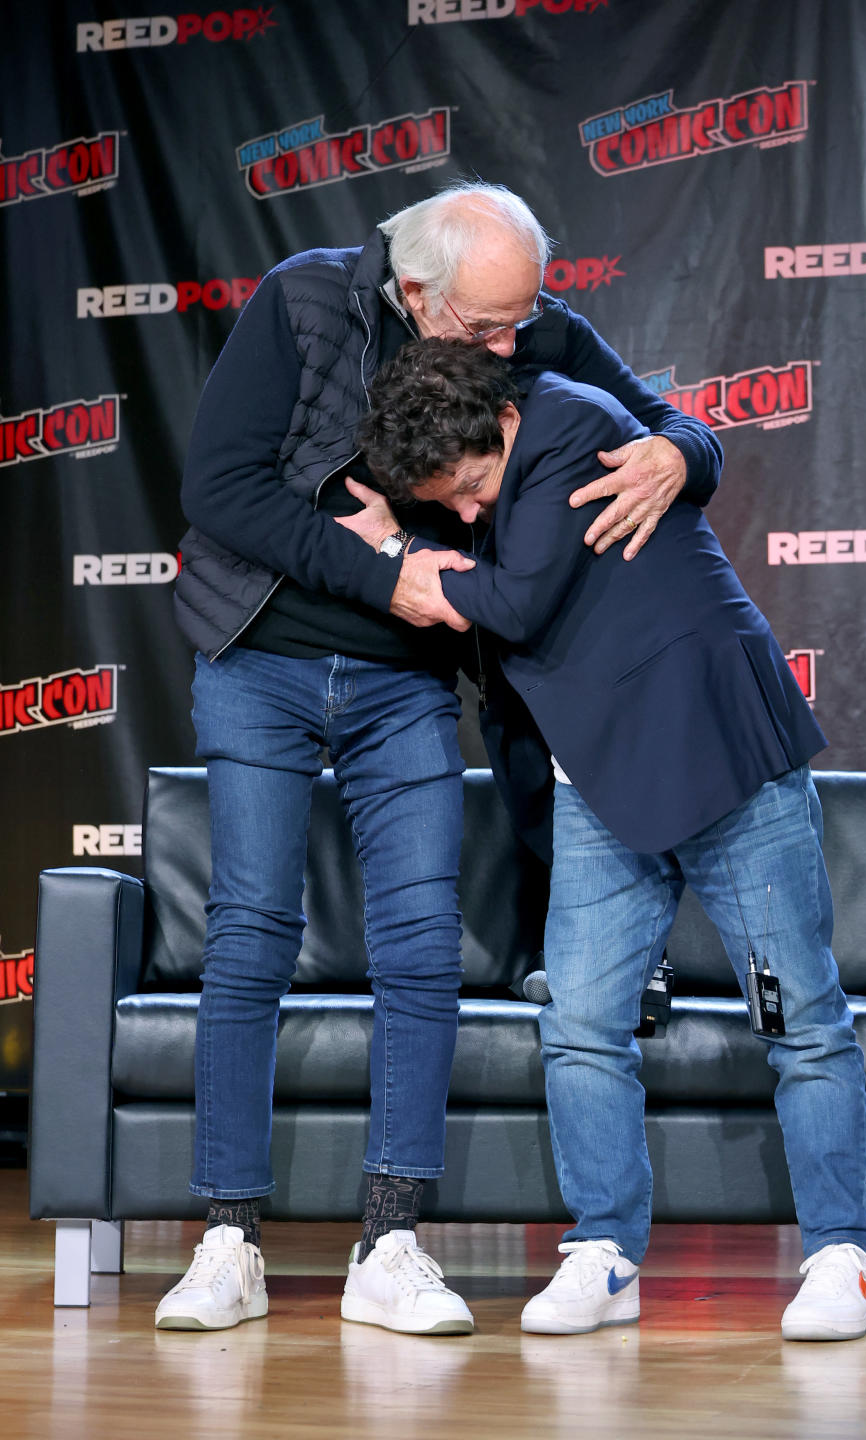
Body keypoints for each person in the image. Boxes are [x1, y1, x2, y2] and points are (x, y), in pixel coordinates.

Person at [157, 181, 723, 1335]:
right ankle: (228, 1242)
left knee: (420, 945)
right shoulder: (306, 303)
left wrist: (681, 457)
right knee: (249, 931)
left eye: (523, 322)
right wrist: (387, 572)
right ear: (416, 291)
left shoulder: (526, 321)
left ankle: (393, 1242)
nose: (514, 348)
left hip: (407, 679)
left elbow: (673, 425)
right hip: (257, 657)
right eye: (484, 331)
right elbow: (220, 489)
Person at [337, 337, 866, 1343]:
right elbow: (478, 559)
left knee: (800, 1016)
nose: (462, 512)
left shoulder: (572, 426)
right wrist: (419, 525)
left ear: (501, 423)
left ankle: (842, 1253)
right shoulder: (489, 461)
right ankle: (605, 1251)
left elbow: (511, 602)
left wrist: (391, 554)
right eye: (446, 500)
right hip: (600, 781)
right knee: (582, 1026)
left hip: (724, 764)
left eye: (468, 488)